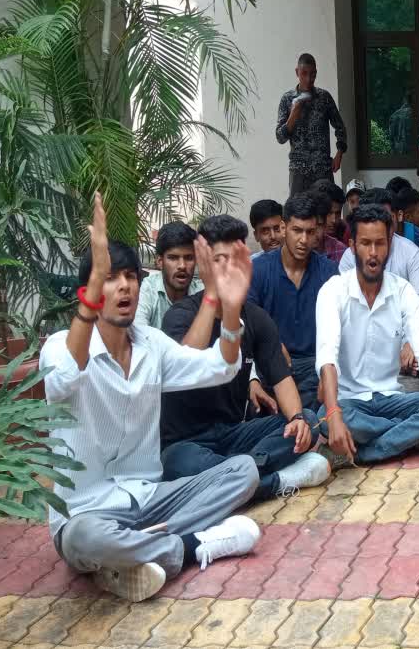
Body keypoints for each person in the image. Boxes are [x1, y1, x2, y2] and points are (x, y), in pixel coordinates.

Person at [42, 193, 260, 602]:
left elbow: (220, 367)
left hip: (150, 498)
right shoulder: (59, 346)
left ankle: (130, 559)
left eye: (131, 277)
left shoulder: (151, 345)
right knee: (84, 539)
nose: (124, 286)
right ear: (87, 291)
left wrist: (229, 310)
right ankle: (194, 546)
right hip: (88, 512)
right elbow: (61, 383)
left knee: (243, 472)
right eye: (111, 278)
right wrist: (91, 295)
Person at [160, 215, 331, 504]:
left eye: (234, 260)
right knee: (178, 465)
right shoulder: (179, 315)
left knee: (311, 422)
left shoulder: (256, 318)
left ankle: (235, 476)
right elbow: (187, 362)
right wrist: (214, 296)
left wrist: (297, 419)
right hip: (186, 443)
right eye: (219, 261)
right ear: (204, 266)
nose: (228, 269)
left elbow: (281, 378)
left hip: (235, 435)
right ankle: (273, 481)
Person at [317, 204, 419, 462]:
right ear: (352, 246)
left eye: (380, 243)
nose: (373, 253)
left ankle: (362, 454)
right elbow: (327, 355)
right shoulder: (333, 291)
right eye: (365, 243)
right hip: (351, 401)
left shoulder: (402, 291)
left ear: (390, 244)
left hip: (393, 396)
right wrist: (335, 414)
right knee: (325, 419)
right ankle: (409, 439)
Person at [248, 194, 340, 409]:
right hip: (272, 365)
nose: (304, 240)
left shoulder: (329, 272)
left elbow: (340, 329)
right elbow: (248, 324)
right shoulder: (259, 270)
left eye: (310, 231)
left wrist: (329, 371)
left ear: (318, 231)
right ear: (283, 228)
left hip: (315, 366)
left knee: (317, 421)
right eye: (297, 230)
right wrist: (272, 343)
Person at [338, 188, 419, 305]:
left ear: (397, 216)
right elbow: (344, 302)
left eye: (386, 218)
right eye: (373, 219)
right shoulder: (349, 256)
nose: (381, 226)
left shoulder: (411, 253)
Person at [276, 53, 346, 194]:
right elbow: (280, 137)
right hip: (298, 169)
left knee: (326, 211)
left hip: (322, 169)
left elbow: (340, 127)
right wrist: (293, 115)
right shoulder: (287, 99)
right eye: (304, 74)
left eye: (312, 75)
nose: (308, 79)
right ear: (297, 72)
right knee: (298, 213)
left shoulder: (324, 97)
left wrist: (340, 153)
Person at [137, 221, 204, 327]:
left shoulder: (202, 291)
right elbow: (138, 332)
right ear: (159, 261)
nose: (182, 265)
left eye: (188, 258)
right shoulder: (149, 289)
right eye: (173, 258)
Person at [313, 179, 348, 243]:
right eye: (329, 213)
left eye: (338, 213)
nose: (334, 220)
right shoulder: (303, 236)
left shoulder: (347, 232)